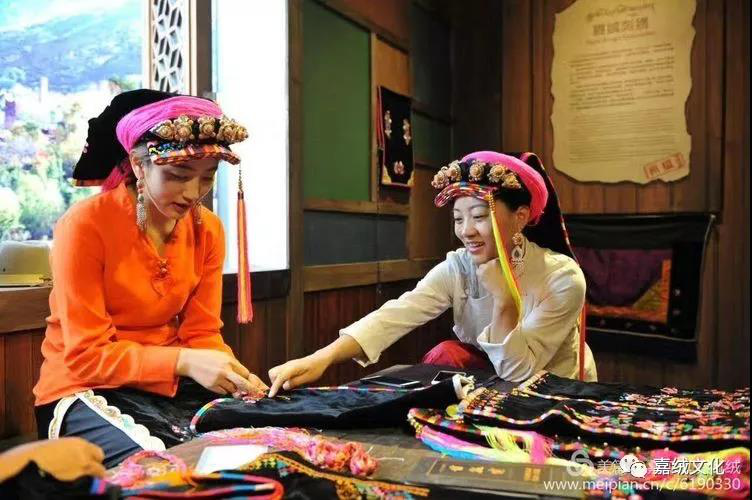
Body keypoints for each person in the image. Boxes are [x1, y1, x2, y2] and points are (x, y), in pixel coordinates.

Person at [33, 89, 267, 467]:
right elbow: (86, 357)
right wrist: (185, 362)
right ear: (139, 166)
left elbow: (202, 333)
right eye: (178, 176)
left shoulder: (207, 229)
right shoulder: (85, 226)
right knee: (172, 468)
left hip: (170, 384)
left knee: (262, 445)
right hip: (82, 389)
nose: (193, 193)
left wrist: (230, 373)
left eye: (207, 178)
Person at [269, 151, 597, 396]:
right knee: (445, 355)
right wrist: (322, 358)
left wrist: (504, 301)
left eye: (479, 216)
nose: (466, 231)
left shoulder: (562, 278)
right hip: (489, 381)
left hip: (550, 388)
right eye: (458, 219)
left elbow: (520, 373)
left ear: (521, 217)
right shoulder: (459, 267)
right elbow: (397, 314)